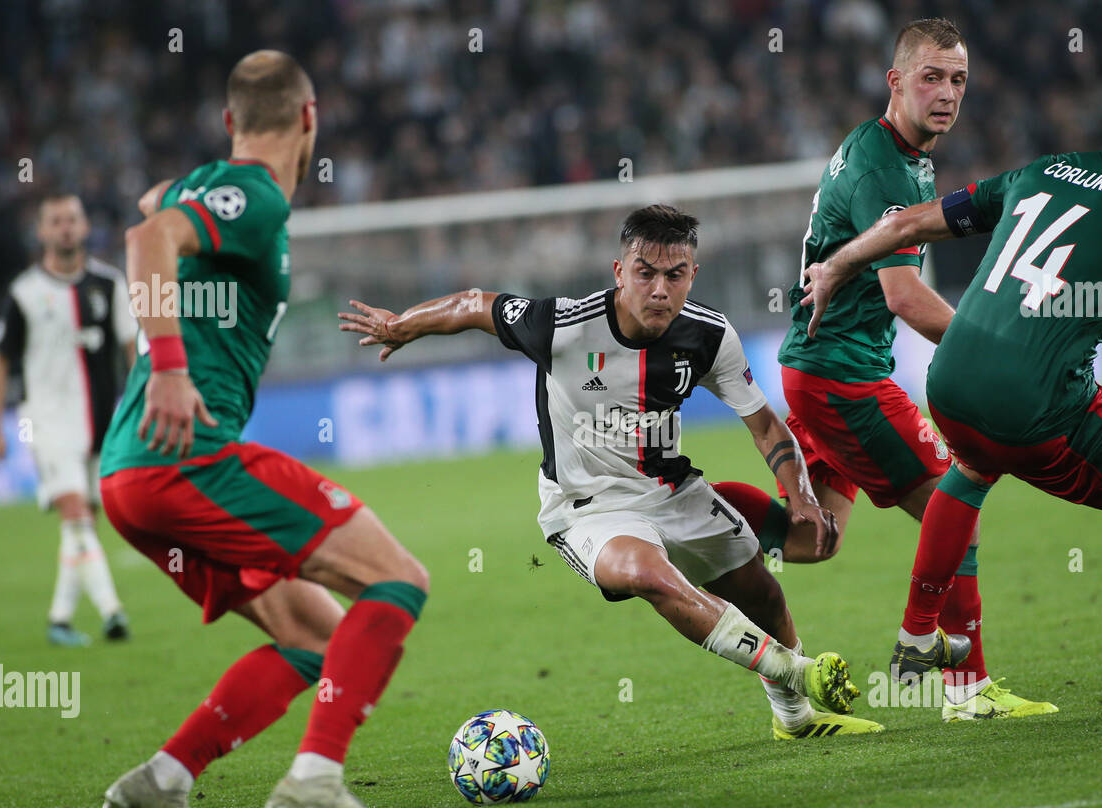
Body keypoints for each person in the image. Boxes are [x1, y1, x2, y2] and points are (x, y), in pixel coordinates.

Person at [340, 204, 878, 739]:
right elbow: (477, 305)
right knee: (646, 574)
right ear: (620, 272)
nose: (660, 289)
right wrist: (404, 324)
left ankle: (795, 719)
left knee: (764, 594)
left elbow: (764, 425)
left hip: (674, 494)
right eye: (645, 273)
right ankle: (796, 672)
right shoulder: (562, 325)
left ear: (694, 274)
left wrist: (801, 494)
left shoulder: (709, 336)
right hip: (586, 508)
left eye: (674, 274)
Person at [800, 70, 1102, 665]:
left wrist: (834, 265)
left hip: (949, 381)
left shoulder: (1041, 171)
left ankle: (918, 633)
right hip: (1036, 404)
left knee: (972, 467)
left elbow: (903, 223)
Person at [99, 50, 429, 808]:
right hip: (185, 457)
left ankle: (164, 780)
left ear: (228, 123)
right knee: (397, 579)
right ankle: (315, 777)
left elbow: (151, 202)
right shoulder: (248, 196)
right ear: (309, 118)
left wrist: (177, 200)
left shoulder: (221, 187)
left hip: (130, 473)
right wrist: (172, 369)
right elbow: (146, 235)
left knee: (315, 635)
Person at [712, 17, 1054, 720]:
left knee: (814, 539)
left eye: (958, 80)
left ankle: (686, 515)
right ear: (895, 81)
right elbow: (903, 295)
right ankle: (959, 685)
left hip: (826, 370)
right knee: (952, 505)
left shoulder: (899, 154)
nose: (947, 93)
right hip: (842, 378)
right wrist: (995, 346)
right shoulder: (883, 168)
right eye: (932, 77)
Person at [0, 194, 135, 647]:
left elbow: (132, 349)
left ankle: (59, 619)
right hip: (46, 421)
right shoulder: (25, 293)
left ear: (85, 226)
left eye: (72, 219)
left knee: (84, 519)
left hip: (102, 423)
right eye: (56, 221)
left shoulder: (110, 284)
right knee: (74, 512)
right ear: (43, 231)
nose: (65, 228)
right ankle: (113, 613)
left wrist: (144, 403)